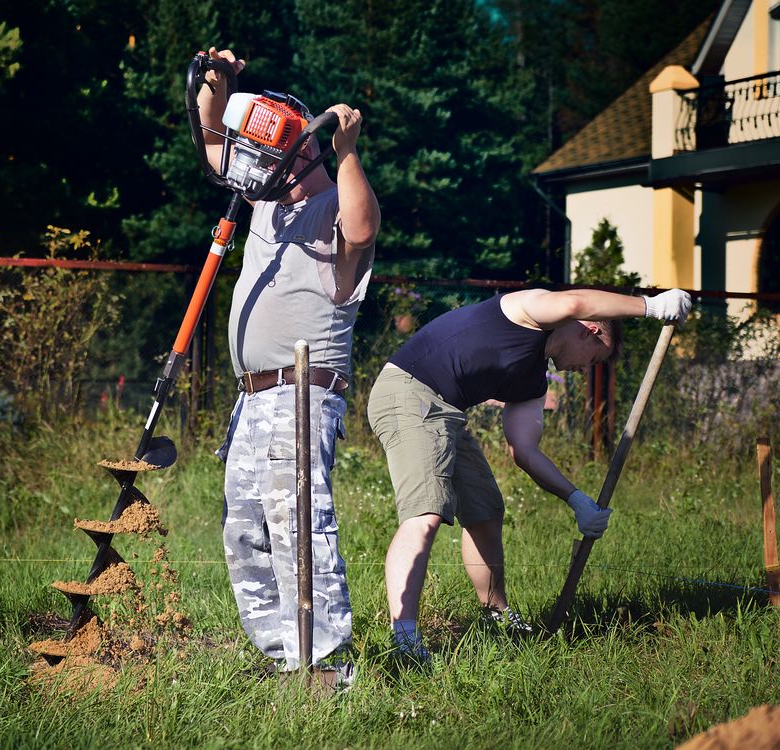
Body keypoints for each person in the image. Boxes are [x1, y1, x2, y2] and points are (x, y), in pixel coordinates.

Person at [367, 287, 692, 659]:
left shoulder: (533, 380)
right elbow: (574, 303)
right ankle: (404, 639)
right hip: (410, 393)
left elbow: (524, 450)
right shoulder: (527, 312)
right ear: (590, 330)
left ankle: (497, 616)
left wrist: (577, 500)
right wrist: (650, 307)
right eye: (593, 359)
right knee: (426, 512)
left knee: (485, 511)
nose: (585, 369)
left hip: (447, 412)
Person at [198, 47, 380, 681]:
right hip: (252, 397)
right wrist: (215, 85)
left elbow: (363, 228)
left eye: (267, 154)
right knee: (245, 528)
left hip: (301, 392)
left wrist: (347, 151)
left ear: (301, 154)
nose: (255, 165)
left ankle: (324, 663)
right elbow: (214, 144)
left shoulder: (333, 210)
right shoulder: (268, 204)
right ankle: (284, 657)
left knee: (298, 524)